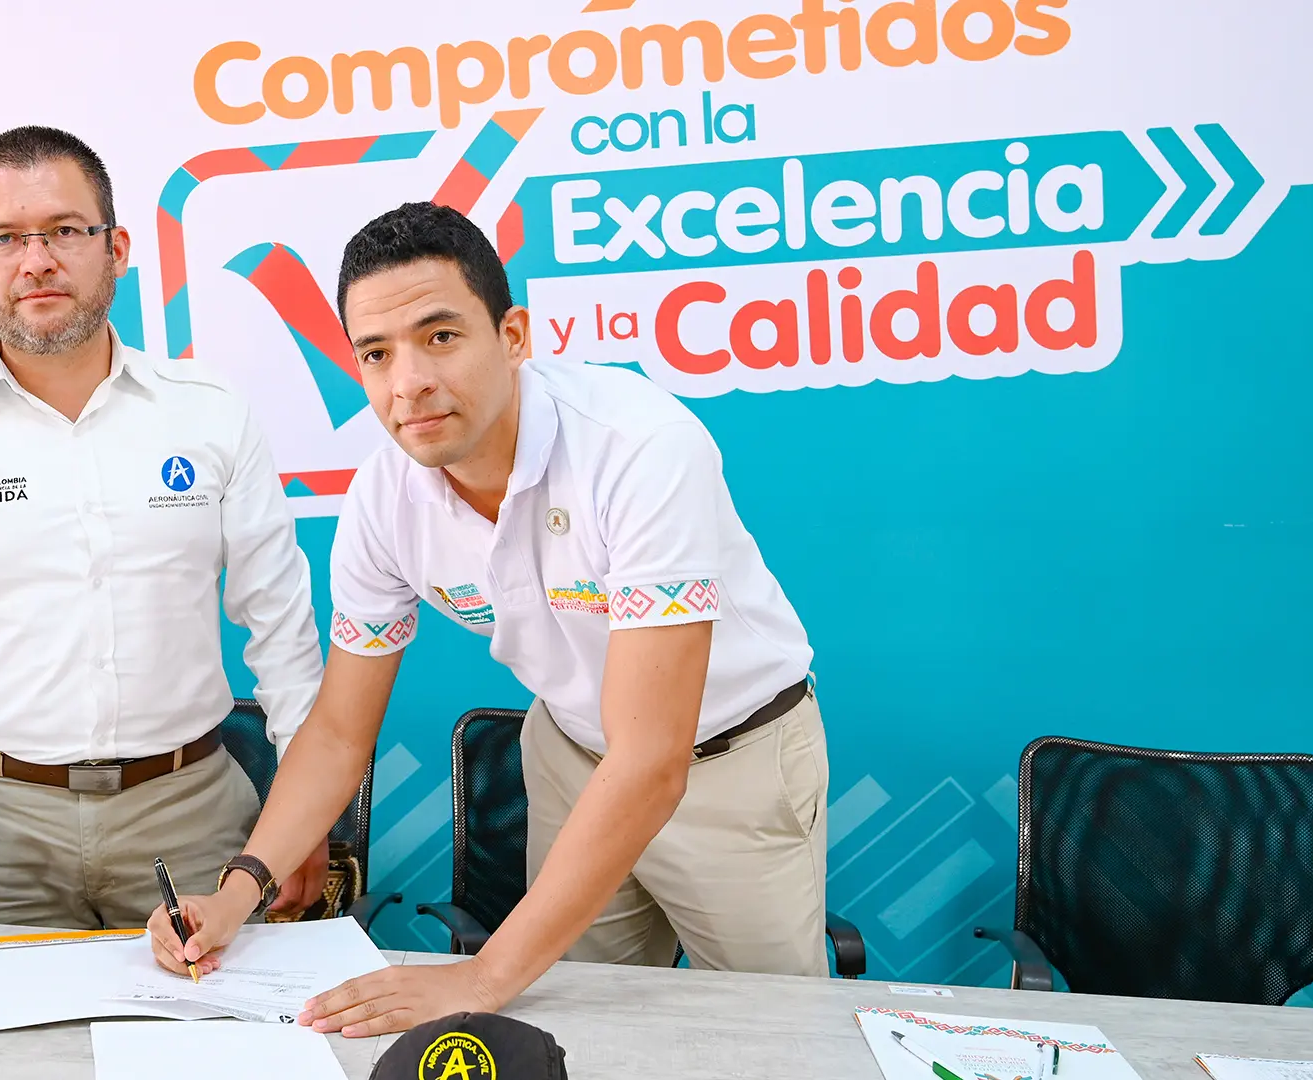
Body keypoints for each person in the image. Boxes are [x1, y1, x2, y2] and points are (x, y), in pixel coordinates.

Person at [150, 202, 828, 1034]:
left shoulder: (639, 446)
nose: (408, 383)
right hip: (575, 754)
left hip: (731, 759)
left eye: (440, 337)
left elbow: (654, 757)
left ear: (513, 335)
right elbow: (336, 733)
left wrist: (484, 975)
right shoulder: (382, 498)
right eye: (376, 353)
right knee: (582, 1018)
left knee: (776, 1035)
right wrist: (238, 892)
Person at [0, 126, 329, 934]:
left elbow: (283, 632)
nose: (36, 261)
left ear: (117, 248)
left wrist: (301, 823)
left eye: (64, 231)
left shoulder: (209, 413)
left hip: (191, 815)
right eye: (4, 239)